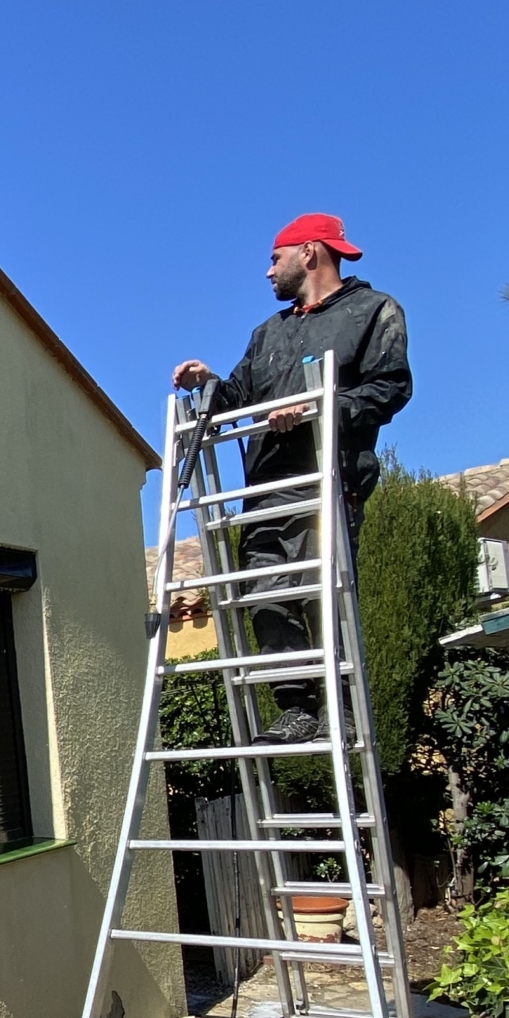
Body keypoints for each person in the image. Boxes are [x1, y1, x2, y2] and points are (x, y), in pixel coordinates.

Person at [173, 212, 411, 742]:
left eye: (274, 258)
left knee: (320, 590)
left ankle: (340, 706)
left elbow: (391, 388)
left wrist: (316, 408)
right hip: (264, 489)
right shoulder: (269, 333)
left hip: (327, 478)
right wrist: (206, 381)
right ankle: (296, 707)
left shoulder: (374, 312)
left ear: (309, 252)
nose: (267, 272)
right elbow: (237, 396)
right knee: (265, 595)